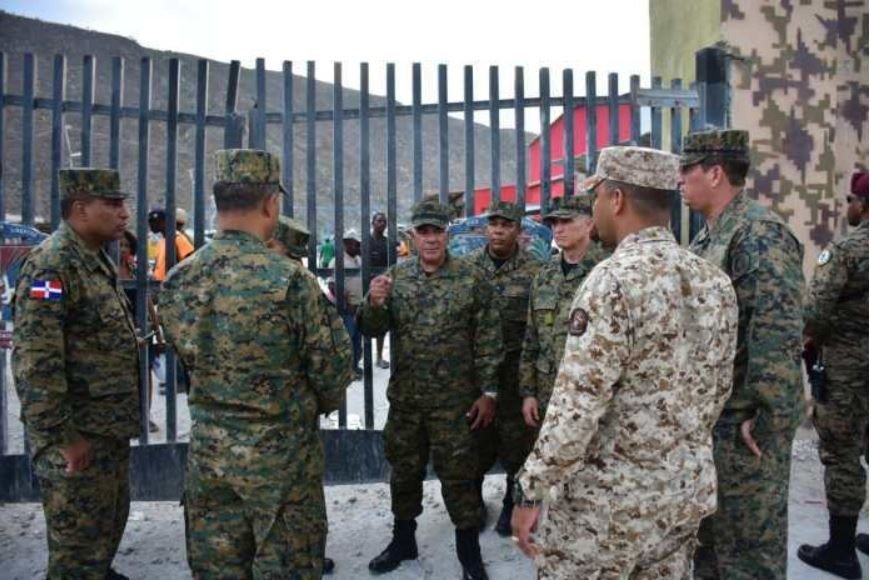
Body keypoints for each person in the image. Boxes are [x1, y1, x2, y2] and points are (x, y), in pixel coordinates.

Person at [512, 146, 739, 578]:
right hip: (681, 494)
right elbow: (716, 391)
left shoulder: (613, 281)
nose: (594, 208)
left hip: (606, 509)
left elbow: (576, 409)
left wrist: (530, 490)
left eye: (596, 196)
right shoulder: (714, 281)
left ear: (616, 200)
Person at [157, 149, 353, 578]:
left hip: (210, 460)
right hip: (282, 465)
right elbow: (334, 371)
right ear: (271, 203)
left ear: (218, 201)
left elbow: (186, 354)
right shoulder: (290, 280)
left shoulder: (178, 281)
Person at [680, 129, 805, 579]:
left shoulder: (759, 234)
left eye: (686, 169)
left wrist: (765, 415)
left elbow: (779, 332)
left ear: (715, 173)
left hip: (744, 428)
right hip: (712, 424)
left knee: (750, 551)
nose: (679, 179)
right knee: (710, 546)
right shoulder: (706, 240)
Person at [360, 198, 503, 580]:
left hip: (455, 404)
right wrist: (373, 303)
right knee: (404, 473)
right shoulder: (397, 278)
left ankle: (469, 555)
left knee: (459, 478)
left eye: (437, 231)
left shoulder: (472, 279)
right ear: (413, 236)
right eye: (423, 232)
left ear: (447, 234)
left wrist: (488, 393)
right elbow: (372, 328)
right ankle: (403, 541)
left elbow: (489, 338)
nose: (430, 239)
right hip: (407, 402)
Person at [12, 168, 140, 580]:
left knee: (101, 534)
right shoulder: (51, 266)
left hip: (103, 432)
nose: (125, 213)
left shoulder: (91, 260)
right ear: (80, 209)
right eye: (113, 204)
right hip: (77, 437)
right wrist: (62, 437)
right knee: (76, 553)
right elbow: (36, 361)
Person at [796, 170, 869, 579]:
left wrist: (809, 343)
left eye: (850, 199)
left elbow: (815, 313)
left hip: (849, 367)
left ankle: (841, 551)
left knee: (841, 454)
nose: (848, 207)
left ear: (864, 203)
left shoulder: (848, 250)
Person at [267, 214, 342, 577]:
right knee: (296, 498)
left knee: (295, 497)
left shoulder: (300, 284)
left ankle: (302, 556)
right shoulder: (301, 285)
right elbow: (332, 354)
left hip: (285, 416)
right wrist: (325, 398)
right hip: (292, 414)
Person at [463, 200, 541, 537]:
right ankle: (475, 502)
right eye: (493, 224)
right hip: (476, 375)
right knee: (475, 442)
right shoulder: (466, 269)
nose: (498, 230)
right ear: (485, 229)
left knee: (516, 444)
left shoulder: (536, 271)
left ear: (518, 231)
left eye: (505, 224)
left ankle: (513, 500)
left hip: (514, 373)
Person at [519, 195, 609, 428]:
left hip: (592, 395)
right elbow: (532, 339)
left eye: (566, 221)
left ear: (589, 223)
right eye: (554, 223)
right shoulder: (545, 275)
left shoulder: (607, 270)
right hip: (548, 395)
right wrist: (528, 393)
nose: (558, 229)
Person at [118, 230, 161, 434]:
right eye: (119, 244)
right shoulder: (105, 272)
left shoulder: (134, 270)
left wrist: (157, 329)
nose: (123, 248)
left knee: (145, 373)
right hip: (118, 332)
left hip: (141, 329)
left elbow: (147, 300)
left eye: (126, 245)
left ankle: (145, 415)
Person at [329, 228, 364, 378]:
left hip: (359, 306)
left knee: (357, 341)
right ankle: (347, 370)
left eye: (358, 244)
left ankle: (355, 366)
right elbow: (332, 284)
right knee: (347, 340)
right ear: (347, 244)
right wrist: (344, 302)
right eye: (355, 244)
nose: (358, 247)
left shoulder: (358, 260)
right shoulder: (338, 260)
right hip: (347, 308)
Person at [148, 207, 195, 282]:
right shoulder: (161, 241)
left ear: (165, 222)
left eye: (156, 221)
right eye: (150, 221)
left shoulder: (178, 238)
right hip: (159, 287)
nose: (151, 224)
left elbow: (191, 263)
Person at [370, 211, 391, 369]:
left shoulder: (387, 243)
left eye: (384, 221)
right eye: (378, 221)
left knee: (381, 323)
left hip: (383, 287)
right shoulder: (366, 242)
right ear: (372, 223)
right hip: (366, 285)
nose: (381, 224)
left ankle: (378, 356)